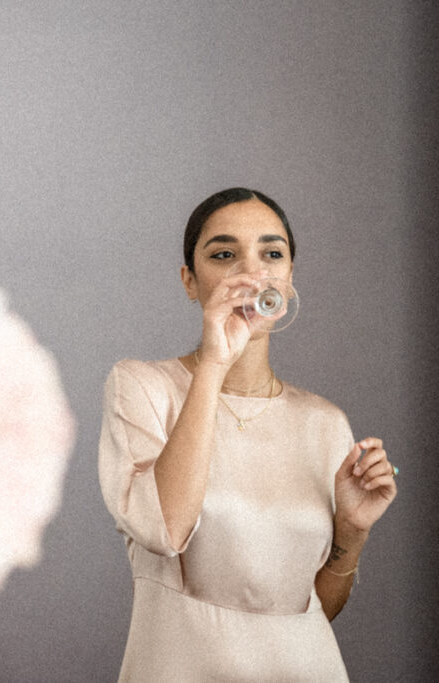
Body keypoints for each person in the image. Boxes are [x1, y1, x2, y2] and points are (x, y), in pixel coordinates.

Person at [97, 187, 397, 681]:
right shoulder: (142, 387)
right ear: (190, 282)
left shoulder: (325, 422)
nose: (250, 272)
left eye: (271, 253)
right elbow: (165, 530)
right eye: (224, 254)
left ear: (289, 277)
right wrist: (215, 363)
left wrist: (352, 531)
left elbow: (311, 611)